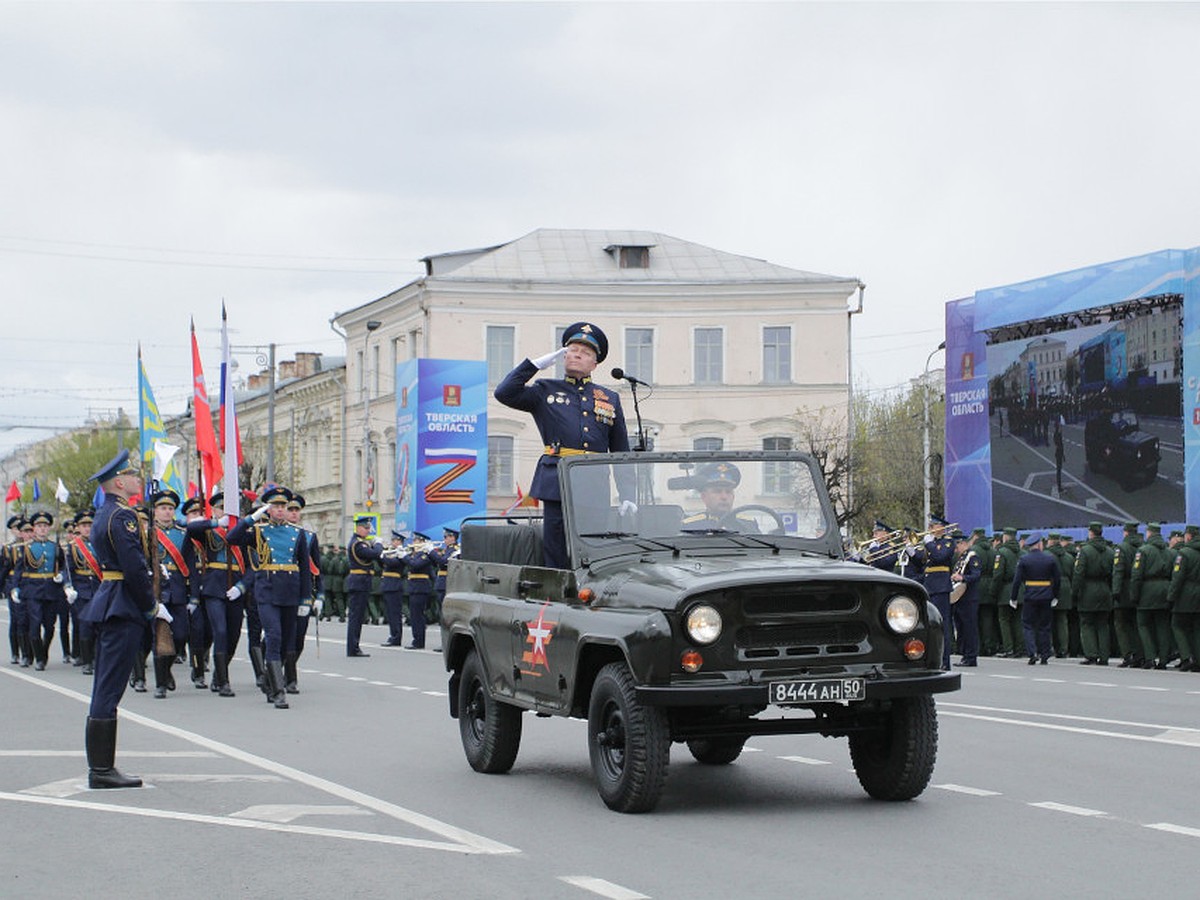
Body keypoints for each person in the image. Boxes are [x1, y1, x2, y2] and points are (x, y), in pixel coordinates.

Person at [494, 322, 636, 569]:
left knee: (593, 545)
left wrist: (628, 493)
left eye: (585, 352)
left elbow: (620, 450)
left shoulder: (608, 398)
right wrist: (534, 366)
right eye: (572, 349)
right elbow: (504, 393)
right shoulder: (544, 390)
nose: (576, 354)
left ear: (595, 364)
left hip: (594, 481)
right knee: (556, 547)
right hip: (557, 479)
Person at [78, 449, 167, 789]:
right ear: (119, 481)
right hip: (123, 603)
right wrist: (150, 605)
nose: (138, 480)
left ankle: (102, 767)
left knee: (107, 683)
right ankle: (101, 770)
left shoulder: (107, 514)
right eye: (133, 475)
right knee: (109, 686)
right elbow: (133, 567)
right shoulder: (122, 517)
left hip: (112, 600)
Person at [226, 486, 310, 708]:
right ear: (268, 509)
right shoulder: (258, 530)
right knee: (273, 636)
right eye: (275, 506)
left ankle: (272, 683)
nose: (280, 510)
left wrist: (306, 599)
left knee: (286, 642)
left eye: (283, 506)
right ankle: (279, 691)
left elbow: (304, 567)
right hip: (268, 590)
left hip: (290, 591)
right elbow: (231, 538)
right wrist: (249, 519)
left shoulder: (297, 533)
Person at [186, 491, 249, 696]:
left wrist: (242, 587)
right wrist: (215, 523)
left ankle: (217, 676)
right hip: (213, 586)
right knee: (219, 631)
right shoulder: (208, 530)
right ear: (214, 510)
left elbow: (252, 563)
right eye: (220, 507)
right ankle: (223, 681)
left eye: (229, 508)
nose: (225, 512)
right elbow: (191, 527)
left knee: (233, 635)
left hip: (236, 587)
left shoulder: (242, 531)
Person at [149, 489, 193, 699]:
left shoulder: (182, 534)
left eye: (170, 508)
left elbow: (190, 565)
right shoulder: (147, 533)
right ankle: (160, 684)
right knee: (160, 638)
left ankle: (166, 672)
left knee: (181, 634)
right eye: (162, 508)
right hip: (156, 590)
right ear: (155, 511)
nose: (167, 512)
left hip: (177, 589)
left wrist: (193, 594)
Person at [14, 510, 70, 672]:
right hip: (32, 590)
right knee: (35, 624)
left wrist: (61, 576)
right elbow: (19, 570)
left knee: (50, 626)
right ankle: (39, 658)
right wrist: (15, 588)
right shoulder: (26, 548)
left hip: (51, 590)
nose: (43, 529)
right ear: (34, 528)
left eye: (45, 526)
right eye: (39, 526)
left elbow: (63, 566)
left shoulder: (55, 547)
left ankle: (43, 652)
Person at [284, 493, 322, 692]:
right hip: (282, 591)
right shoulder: (276, 534)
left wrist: (320, 596)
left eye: (296, 510)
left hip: (303, 592)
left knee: (299, 638)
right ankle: (289, 678)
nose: (293, 514)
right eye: (290, 510)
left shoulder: (309, 536)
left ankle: (286, 669)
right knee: (283, 636)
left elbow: (316, 568)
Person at [1011, 533, 1059, 665]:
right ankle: (1044, 654)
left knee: (1028, 625)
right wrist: (1055, 595)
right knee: (1044, 626)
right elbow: (1057, 579)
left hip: (1030, 595)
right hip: (1046, 595)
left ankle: (1032, 653)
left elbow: (1017, 580)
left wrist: (1013, 597)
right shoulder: (1050, 559)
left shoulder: (1024, 559)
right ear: (1039, 544)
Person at [1132, 522, 1172, 669]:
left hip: (1147, 591)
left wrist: (1134, 595)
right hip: (1165, 589)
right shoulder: (1169, 551)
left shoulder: (1143, 551)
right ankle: (1163, 659)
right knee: (1162, 626)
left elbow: (1137, 575)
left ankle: (1149, 657)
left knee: (1143, 625)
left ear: (1149, 533)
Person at [1074, 521, 1115, 665]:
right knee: (1103, 624)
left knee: (1087, 623)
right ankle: (1104, 656)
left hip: (1088, 590)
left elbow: (1079, 573)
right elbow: (1113, 574)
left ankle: (1091, 653)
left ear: (1090, 532)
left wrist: (1076, 592)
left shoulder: (1085, 551)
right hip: (1104, 589)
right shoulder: (1110, 551)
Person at [67, 509, 102, 674]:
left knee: (99, 625)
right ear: (78, 527)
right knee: (85, 625)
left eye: (90, 525)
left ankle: (97, 658)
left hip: (99, 588)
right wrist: (68, 587)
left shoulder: (101, 544)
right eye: (84, 525)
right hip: (81, 590)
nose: (87, 528)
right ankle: (87, 661)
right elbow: (68, 570)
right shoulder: (73, 547)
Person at [681, 463, 760, 533]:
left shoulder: (748, 524)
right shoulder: (690, 527)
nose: (724, 497)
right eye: (717, 491)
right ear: (704, 497)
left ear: (733, 496)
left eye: (728, 491)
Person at [345, 515, 384, 656]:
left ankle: (354, 646)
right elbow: (375, 554)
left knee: (358, 616)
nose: (368, 531)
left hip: (362, 581)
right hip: (359, 581)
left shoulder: (361, 542)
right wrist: (378, 543)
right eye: (366, 528)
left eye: (369, 528)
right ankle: (353, 648)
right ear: (358, 528)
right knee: (356, 616)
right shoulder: (358, 544)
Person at [1111, 522, 1145, 667]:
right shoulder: (1143, 546)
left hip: (1124, 589)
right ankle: (1140, 654)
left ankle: (1127, 654)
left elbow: (1118, 571)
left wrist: (1116, 590)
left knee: (1121, 624)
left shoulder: (1122, 548)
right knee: (1137, 624)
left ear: (1126, 532)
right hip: (1140, 589)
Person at [1168, 525, 1200, 671]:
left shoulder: (1184, 553)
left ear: (1188, 537)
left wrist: (1171, 597)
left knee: (1178, 625)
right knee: (1196, 628)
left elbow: (1177, 578)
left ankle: (1186, 656)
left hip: (1186, 595)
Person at [950, 529, 981, 666]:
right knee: (961, 627)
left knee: (969, 628)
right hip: (960, 598)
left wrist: (962, 577)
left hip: (969, 597)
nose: (955, 549)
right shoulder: (961, 558)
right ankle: (965, 654)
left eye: (957, 546)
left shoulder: (972, 557)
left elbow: (976, 575)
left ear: (962, 543)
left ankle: (971, 656)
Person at [992, 527, 1025, 658]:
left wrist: (993, 591)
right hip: (1021, 589)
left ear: (1005, 537)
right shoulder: (1022, 553)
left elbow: (998, 575)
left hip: (1006, 590)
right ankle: (1020, 648)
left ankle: (1008, 648)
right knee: (1018, 620)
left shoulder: (1002, 552)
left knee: (1004, 619)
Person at [402, 532, 437, 649]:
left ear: (422, 542)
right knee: (414, 615)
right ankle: (416, 639)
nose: (413, 542)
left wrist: (404, 557)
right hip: (414, 587)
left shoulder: (424, 555)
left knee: (418, 615)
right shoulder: (414, 554)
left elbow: (415, 565)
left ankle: (419, 641)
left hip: (420, 588)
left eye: (416, 540)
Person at [380, 530, 407, 647]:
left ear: (400, 541)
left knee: (395, 613)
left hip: (395, 584)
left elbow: (393, 563)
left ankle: (396, 637)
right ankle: (392, 635)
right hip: (387, 584)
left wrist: (382, 557)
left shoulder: (401, 553)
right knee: (390, 613)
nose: (392, 542)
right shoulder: (391, 552)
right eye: (392, 540)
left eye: (395, 540)